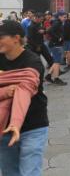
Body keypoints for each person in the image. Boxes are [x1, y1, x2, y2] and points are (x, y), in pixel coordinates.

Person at [0, 20, 49, 176]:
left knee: (29, 173)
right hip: (4, 128)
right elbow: (11, 91)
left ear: (16, 38)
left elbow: (24, 90)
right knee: (9, 173)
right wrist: (5, 91)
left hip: (33, 126)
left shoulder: (32, 62)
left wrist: (15, 123)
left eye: (1, 36)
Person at [46, 14, 67, 85]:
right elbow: (49, 31)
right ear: (59, 17)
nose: (65, 18)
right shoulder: (57, 23)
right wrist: (58, 38)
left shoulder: (58, 23)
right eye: (64, 17)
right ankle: (56, 78)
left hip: (56, 44)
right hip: (55, 44)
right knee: (57, 62)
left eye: (66, 17)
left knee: (56, 62)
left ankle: (48, 76)